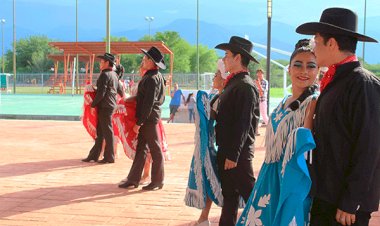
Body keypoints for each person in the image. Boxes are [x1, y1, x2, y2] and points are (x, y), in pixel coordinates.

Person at [296, 7, 380, 226]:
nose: (313, 46)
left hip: (344, 204)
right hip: (327, 194)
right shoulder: (337, 81)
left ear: (331, 43)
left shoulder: (362, 84)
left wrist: (351, 201)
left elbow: (370, 147)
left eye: (316, 40)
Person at [237, 39, 319, 226]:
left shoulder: (313, 103)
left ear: (318, 71)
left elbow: (305, 144)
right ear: (289, 69)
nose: (304, 71)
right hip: (269, 177)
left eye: (310, 66)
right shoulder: (284, 101)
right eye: (297, 65)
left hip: (290, 178)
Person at [214, 36, 260, 225]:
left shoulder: (245, 86)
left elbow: (243, 124)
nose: (224, 59)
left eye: (227, 55)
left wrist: (233, 155)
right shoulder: (234, 83)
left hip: (238, 155)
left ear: (238, 58)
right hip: (229, 151)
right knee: (230, 196)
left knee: (253, 198)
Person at [184, 59, 228, 226]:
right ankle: (204, 218)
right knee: (210, 181)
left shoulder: (224, 98)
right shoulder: (217, 97)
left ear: (224, 78)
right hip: (213, 147)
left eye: (216, 74)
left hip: (220, 149)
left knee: (227, 186)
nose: (213, 77)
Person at [118, 46, 166, 191]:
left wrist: (139, 122)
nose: (143, 60)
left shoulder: (152, 78)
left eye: (145, 58)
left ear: (152, 62)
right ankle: (133, 179)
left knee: (155, 150)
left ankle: (157, 180)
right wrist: (129, 100)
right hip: (149, 118)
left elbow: (149, 103)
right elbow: (145, 98)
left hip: (148, 120)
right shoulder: (153, 77)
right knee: (141, 149)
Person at [82, 53, 123, 164]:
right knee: (101, 132)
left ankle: (109, 156)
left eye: (102, 62)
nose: (100, 63)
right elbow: (118, 91)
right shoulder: (114, 75)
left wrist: (93, 104)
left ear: (107, 63)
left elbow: (102, 93)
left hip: (105, 106)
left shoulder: (105, 75)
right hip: (109, 106)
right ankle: (94, 155)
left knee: (106, 132)